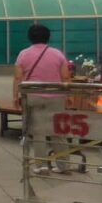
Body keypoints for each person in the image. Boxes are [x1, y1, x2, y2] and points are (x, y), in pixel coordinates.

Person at [13, 24, 71, 174]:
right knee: (58, 131)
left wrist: (15, 96)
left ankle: (41, 165)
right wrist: (69, 96)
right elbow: (66, 77)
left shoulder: (23, 54)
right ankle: (63, 165)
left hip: (33, 97)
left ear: (30, 37)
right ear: (48, 37)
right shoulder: (58, 54)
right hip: (56, 97)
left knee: (38, 132)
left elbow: (18, 77)